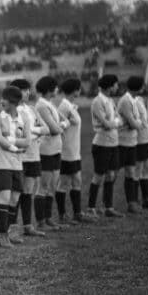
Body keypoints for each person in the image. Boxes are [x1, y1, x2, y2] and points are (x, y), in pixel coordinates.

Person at [0, 85, 29, 248]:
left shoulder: (24, 118)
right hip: (1, 163)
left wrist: (9, 139)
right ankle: (2, 235)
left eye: (4, 99)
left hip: (17, 165)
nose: (1, 101)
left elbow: (27, 141)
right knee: (4, 198)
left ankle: (9, 232)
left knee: (14, 199)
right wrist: (14, 146)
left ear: (14, 102)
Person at [10, 78, 49, 237]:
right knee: (15, 193)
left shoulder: (32, 109)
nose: (27, 92)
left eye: (27, 89)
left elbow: (45, 128)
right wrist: (34, 131)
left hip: (33, 156)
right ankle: (10, 229)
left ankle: (27, 225)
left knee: (27, 191)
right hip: (19, 157)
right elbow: (16, 132)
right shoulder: (12, 111)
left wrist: (30, 131)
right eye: (24, 90)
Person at [33, 76, 68, 231]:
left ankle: (48, 218)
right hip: (46, 151)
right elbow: (54, 130)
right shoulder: (41, 105)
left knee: (52, 185)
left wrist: (60, 125)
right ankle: (41, 221)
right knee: (44, 186)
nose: (57, 90)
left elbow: (63, 122)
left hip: (56, 149)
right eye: (55, 87)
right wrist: (61, 126)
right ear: (48, 89)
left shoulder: (50, 104)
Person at [54, 77, 90, 224]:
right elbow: (59, 126)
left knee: (77, 181)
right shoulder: (64, 106)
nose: (80, 91)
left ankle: (77, 213)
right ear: (75, 90)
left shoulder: (70, 106)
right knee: (63, 183)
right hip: (66, 151)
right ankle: (62, 215)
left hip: (75, 151)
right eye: (79, 88)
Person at [89, 74, 124, 218]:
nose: (117, 87)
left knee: (111, 175)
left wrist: (114, 122)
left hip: (113, 143)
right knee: (98, 176)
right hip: (102, 144)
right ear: (110, 86)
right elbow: (107, 124)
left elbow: (119, 120)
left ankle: (108, 207)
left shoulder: (110, 100)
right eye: (116, 84)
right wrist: (114, 122)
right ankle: (91, 208)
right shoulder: (97, 102)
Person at [116, 76, 145, 213]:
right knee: (113, 173)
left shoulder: (133, 100)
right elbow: (135, 123)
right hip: (122, 142)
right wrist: (138, 123)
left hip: (132, 142)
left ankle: (131, 203)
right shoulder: (125, 101)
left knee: (131, 172)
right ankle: (106, 204)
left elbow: (136, 122)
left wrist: (137, 123)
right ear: (138, 88)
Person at [133, 78, 148, 209]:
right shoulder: (133, 102)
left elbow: (145, 118)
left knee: (147, 168)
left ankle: (146, 198)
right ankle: (135, 200)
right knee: (138, 170)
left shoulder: (142, 100)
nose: (144, 88)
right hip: (140, 140)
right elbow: (135, 120)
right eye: (142, 86)